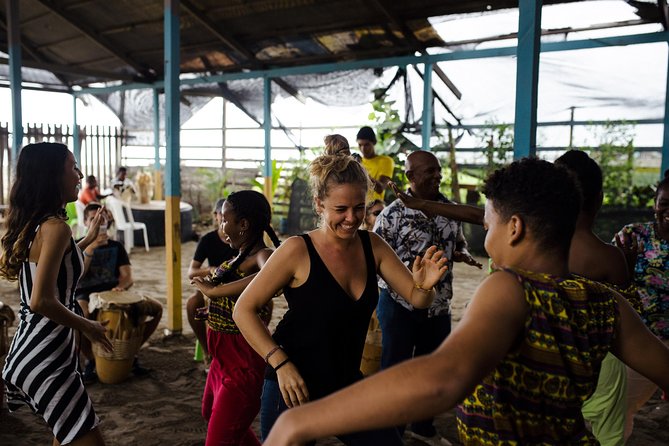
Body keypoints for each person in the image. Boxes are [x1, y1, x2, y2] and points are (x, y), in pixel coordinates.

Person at [262, 157, 669, 446]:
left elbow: (442, 379)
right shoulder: (607, 303)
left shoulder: (509, 288)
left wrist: (304, 420)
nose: (484, 237)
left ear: (514, 228)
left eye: (487, 224)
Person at [233, 143, 449, 445]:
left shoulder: (372, 246)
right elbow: (243, 310)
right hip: (293, 386)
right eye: (340, 209)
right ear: (319, 204)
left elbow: (417, 299)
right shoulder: (296, 250)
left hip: (347, 384)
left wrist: (425, 286)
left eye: (359, 207)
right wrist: (280, 363)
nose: (351, 218)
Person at [1, 142, 113, 446]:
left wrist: (89, 239)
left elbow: (56, 267)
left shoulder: (40, 225)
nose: (79, 175)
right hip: (46, 356)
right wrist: (87, 325)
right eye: (72, 168)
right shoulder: (56, 228)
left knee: (66, 436)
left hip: (40, 351)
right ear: (52, 176)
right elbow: (41, 300)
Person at [374, 150, 480, 444]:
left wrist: (464, 254)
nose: (437, 175)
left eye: (438, 170)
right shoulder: (391, 215)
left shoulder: (450, 209)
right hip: (398, 304)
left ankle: (423, 427)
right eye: (429, 171)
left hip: (439, 304)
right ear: (410, 177)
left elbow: (458, 243)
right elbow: (376, 261)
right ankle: (392, 432)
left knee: (433, 368)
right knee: (394, 370)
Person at [190, 190, 281, 446]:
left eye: (224, 220)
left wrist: (215, 290)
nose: (221, 226)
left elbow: (272, 277)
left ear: (243, 224)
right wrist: (215, 309)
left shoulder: (263, 255)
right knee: (211, 415)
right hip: (222, 358)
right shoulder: (238, 256)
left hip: (243, 361)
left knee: (219, 439)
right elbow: (242, 300)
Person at [75, 202, 163, 381]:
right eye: (94, 219)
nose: (99, 222)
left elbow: (127, 276)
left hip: (114, 292)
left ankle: (131, 352)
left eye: (103, 218)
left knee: (155, 309)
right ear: (85, 222)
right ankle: (91, 360)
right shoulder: (79, 245)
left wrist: (121, 288)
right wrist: (91, 247)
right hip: (84, 293)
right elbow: (78, 276)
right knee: (80, 314)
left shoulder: (117, 246)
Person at [615, 170, 669, 439]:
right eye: (665, 203)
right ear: (655, 204)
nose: (668, 211)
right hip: (640, 339)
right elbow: (610, 284)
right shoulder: (632, 236)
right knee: (620, 406)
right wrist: (625, 265)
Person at [187, 197, 238, 361]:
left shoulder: (240, 239)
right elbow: (192, 272)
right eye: (221, 215)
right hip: (213, 285)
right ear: (216, 215)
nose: (223, 219)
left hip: (237, 286)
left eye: (228, 216)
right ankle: (207, 350)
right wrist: (210, 269)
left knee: (266, 304)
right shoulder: (208, 240)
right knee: (193, 304)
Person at [356, 126, 394, 201]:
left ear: (374, 142)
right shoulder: (357, 162)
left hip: (375, 208)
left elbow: (380, 188)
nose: (363, 149)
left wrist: (361, 169)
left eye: (366, 145)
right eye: (360, 145)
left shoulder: (386, 161)